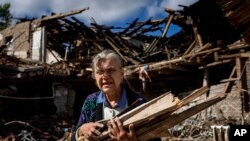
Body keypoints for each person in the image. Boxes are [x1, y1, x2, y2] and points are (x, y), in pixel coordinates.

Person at [72, 49, 147, 141]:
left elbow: (155, 137)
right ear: (94, 77)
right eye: (100, 72)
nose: (105, 76)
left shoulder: (139, 103)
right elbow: (74, 136)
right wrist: (81, 130)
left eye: (110, 70)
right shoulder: (91, 101)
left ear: (122, 74)